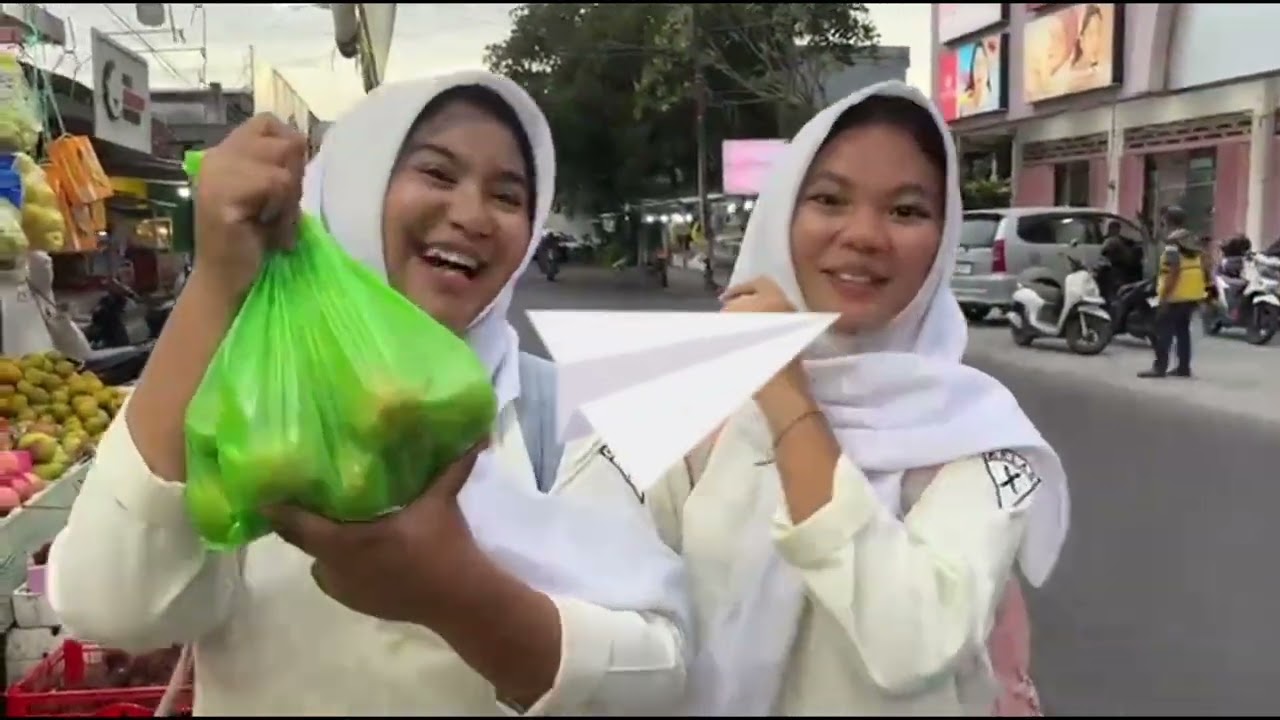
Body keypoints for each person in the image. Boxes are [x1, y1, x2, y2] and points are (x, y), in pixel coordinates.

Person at [47, 71, 692, 716]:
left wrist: (458, 595)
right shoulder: (249, 391)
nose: (471, 216)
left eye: (507, 195)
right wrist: (217, 281)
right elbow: (113, 606)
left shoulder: (551, 416)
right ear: (357, 184)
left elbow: (659, 676)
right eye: (438, 174)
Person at [556, 81, 1068, 715]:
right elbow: (578, 588)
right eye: (828, 199)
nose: (865, 235)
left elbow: (914, 642)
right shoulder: (679, 394)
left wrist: (786, 396)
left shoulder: (985, 439)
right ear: (781, 215)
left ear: (942, 239)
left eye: (907, 211)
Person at [1140, 205, 1208, 379]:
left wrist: (1164, 295)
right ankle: (1183, 368)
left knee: (1162, 330)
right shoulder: (1192, 239)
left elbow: (1174, 270)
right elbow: (1206, 264)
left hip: (1176, 293)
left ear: (1166, 220)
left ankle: (1159, 367)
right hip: (1193, 292)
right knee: (1182, 331)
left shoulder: (1172, 243)